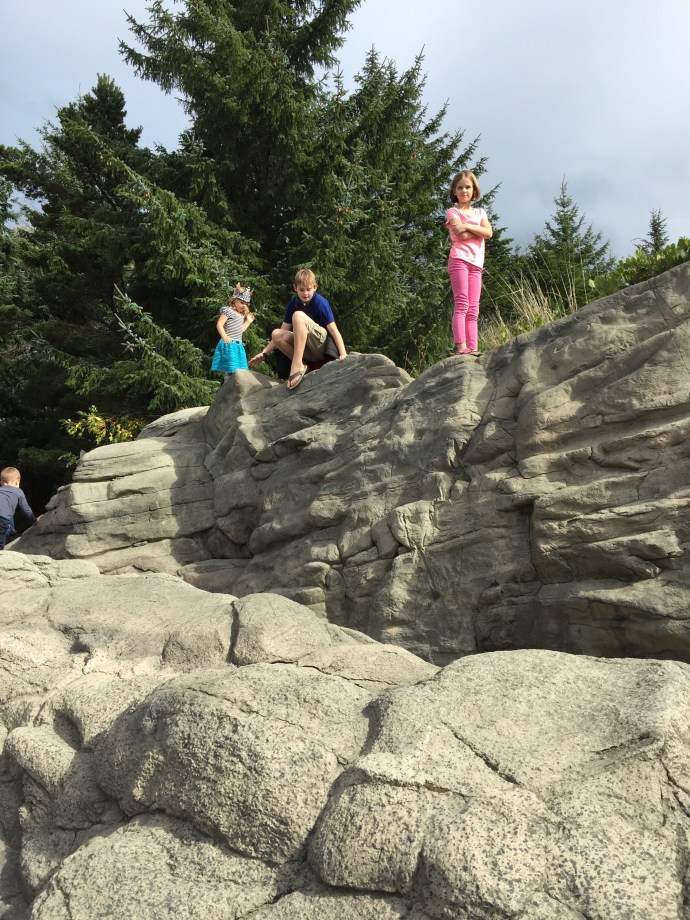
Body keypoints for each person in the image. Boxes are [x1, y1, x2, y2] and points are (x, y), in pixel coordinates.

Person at [248, 268, 347, 390]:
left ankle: (296, 364)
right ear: (295, 288)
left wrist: (343, 354)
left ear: (315, 287)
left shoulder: (321, 303)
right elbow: (283, 331)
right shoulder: (294, 303)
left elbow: (333, 330)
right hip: (307, 350)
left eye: (308, 289)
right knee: (276, 334)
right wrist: (264, 353)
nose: (305, 293)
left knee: (298, 315)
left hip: (320, 346)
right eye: (301, 290)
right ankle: (303, 365)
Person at [445, 170, 493, 356]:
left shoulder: (480, 212)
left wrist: (467, 225)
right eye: (460, 187)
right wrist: (478, 229)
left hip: (476, 264)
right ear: (454, 191)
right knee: (462, 303)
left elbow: (489, 233)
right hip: (459, 260)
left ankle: (473, 348)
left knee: (474, 308)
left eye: (467, 187)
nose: (464, 191)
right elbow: (461, 234)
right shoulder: (453, 212)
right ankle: (461, 347)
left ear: (474, 190)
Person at [211, 285, 255, 380]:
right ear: (234, 301)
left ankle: (236, 387)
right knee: (231, 370)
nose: (244, 305)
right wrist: (225, 337)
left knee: (241, 370)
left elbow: (240, 330)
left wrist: (248, 321)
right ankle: (228, 386)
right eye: (242, 302)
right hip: (229, 344)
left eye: (246, 304)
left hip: (238, 346)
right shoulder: (228, 311)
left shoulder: (241, 315)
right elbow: (219, 324)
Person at [0, 466, 37, 550]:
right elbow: (26, 509)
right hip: (2, 519)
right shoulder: (18, 491)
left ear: (1, 482)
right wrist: (34, 520)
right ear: (17, 482)